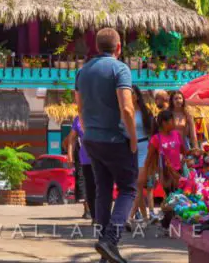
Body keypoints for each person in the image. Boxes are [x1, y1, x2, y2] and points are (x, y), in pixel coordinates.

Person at [74, 27, 138, 263]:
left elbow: (79, 108)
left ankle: (105, 249)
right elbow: (128, 108)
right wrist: (132, 138)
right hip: (115, 139)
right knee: (128, 189)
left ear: (97, 47)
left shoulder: (82, 72)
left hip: (91, 139)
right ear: (118, 47)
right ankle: (110, 240)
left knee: (103, 191)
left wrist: (88, 129)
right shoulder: (120, 69)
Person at [129, 85, 156, 224]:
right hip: (130, 148)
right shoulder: (124, 111)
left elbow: (152, 133)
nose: (129, 95)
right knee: (135, 184)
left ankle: (129, 216)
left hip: (144, 147)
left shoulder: (145, 112)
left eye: (132, 93)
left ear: (137, 95)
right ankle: (145, 217)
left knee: (139, 183)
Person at [65, 115, 95, 220]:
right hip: (85, 158)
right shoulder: (78, 119)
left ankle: (99, 213)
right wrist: (70, 156)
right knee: (89, 186)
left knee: (99, 185)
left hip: (100, 157)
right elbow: (71, 139)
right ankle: (91, 213)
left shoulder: (100, 113)